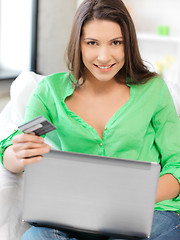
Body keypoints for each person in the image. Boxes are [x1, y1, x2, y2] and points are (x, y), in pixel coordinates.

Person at [0, 0, 180, 239]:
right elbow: (11, 151)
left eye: (116, 42)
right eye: (92, 43)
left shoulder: (153, 90)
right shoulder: (49, 91)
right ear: (78, 44)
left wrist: (132, 198)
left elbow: (176, 165)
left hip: (149, 214)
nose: (104, 57)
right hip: (70, 218)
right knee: (36, 237)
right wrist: (17, 154)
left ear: (129, 44)